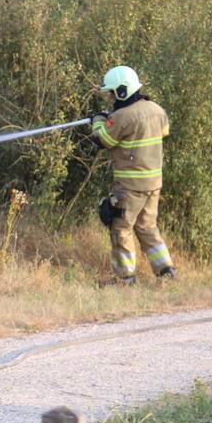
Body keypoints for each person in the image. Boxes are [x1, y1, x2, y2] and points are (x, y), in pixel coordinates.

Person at [90, 66, 175, 285]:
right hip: (153, 184)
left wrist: (99, 121)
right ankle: (166, 271)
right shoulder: (156, 109)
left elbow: (102, 140)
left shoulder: (122, 116)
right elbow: (162, 132)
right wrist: (113, 119)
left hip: (130, 187)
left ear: (121, 91)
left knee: (121, 229)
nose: (109, 98)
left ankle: (125, 278)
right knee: (147, 227)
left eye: (111, 93)